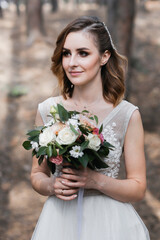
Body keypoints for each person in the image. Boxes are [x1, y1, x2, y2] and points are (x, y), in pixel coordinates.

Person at [30, 16, 150, 240]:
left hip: (111, 224)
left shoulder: (127, 114)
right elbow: (38, 174)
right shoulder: (48, 110)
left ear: (104, 57)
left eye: (83, 53)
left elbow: (138, 187)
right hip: (58, 221)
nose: (72, 62)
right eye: (66, 53)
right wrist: (52, 186)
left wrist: (95, 180)